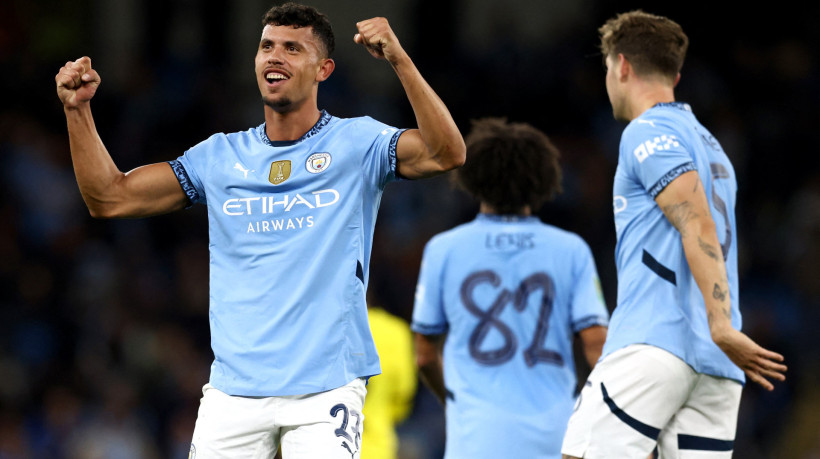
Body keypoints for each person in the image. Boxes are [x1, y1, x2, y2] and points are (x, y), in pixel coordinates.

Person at [54, 3, 465, 457]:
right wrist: (77, 111)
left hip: (325, 389)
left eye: (293, 48)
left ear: (323, 69)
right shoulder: (218, 156)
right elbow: (110, 198)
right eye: (267, 46)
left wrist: (399, 60)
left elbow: (446, 153)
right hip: (234, 393)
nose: (275, 56)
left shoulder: (357, 143)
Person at [561, 10, 787, 459]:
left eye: (607, 68)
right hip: (719, 367)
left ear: (622, 66)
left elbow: (695, 220)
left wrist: (720, 323)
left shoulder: (647, 131)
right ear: (676, 75)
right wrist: (721, 330)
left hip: (657, 338)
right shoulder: (712, 144)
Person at [412, 117, 610, 458]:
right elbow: (597, 345)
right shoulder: (570, 249)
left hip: (475, 437)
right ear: (544, 179)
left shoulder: (444, 249)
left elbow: (425, 355)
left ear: (473, 179)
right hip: (555, 434)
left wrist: (456, 402)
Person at [360, 304, 417, 459]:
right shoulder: (395, 332)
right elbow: (404, 394)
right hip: (376, 448)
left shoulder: (321, 327)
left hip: (323, 447)